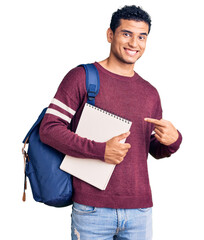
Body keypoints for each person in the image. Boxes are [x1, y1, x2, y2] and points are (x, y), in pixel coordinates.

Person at [39, 5, 182, 240]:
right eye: (126, 34)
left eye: (141, 36)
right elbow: (49, 130)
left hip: (140, 210)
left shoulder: (150, 93)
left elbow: (152, 148)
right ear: (110, 35)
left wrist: (173, 141)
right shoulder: (82, 77)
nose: (134, 43)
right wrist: (101, 150)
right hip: (92, 209)